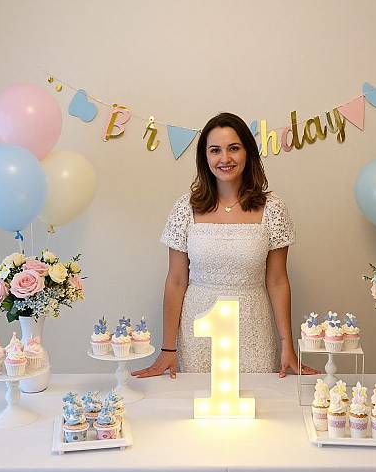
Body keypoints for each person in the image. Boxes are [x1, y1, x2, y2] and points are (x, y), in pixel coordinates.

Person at [132, 112, 318, 379]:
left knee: (258, 411)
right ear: (205, 157)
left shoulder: (273, 208)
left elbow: (277, 281)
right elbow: (175, 280)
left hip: (254, 328)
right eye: (215, 150)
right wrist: (168, 348)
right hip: (198, 330)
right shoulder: (185, 208)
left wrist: (287, 344)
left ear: (248, 152)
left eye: (233, 148)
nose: (225, 158)